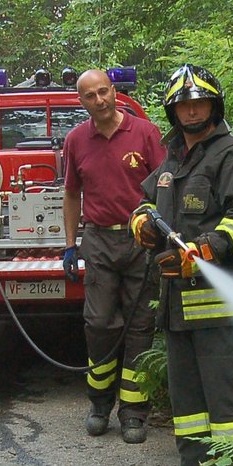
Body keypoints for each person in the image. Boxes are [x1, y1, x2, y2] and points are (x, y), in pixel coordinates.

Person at [130, 65, 233, 466]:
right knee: (186, 391)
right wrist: (142, 224)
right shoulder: (173, 161)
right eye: (184, 104)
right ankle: (196, 465)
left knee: (226, 388)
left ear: (214, 106)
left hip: (219, 303)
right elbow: (147, 203)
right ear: (173, 111)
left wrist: (202, 251)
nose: (192, 110)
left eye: (200, 102)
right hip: (176, 303)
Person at [61, 68, 166, 443]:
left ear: (114, 92)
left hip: (142, 242)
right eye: (90, 96)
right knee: (100, 323)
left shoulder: (145, 133)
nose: (99, 100)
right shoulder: (75, 140)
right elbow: (72, 194)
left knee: (140, 327)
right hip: (99, 242)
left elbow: (165, 187)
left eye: (104, 91)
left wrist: (164, 236)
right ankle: (99, 404)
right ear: (82, 101)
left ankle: (134, 413)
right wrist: (71, 244)